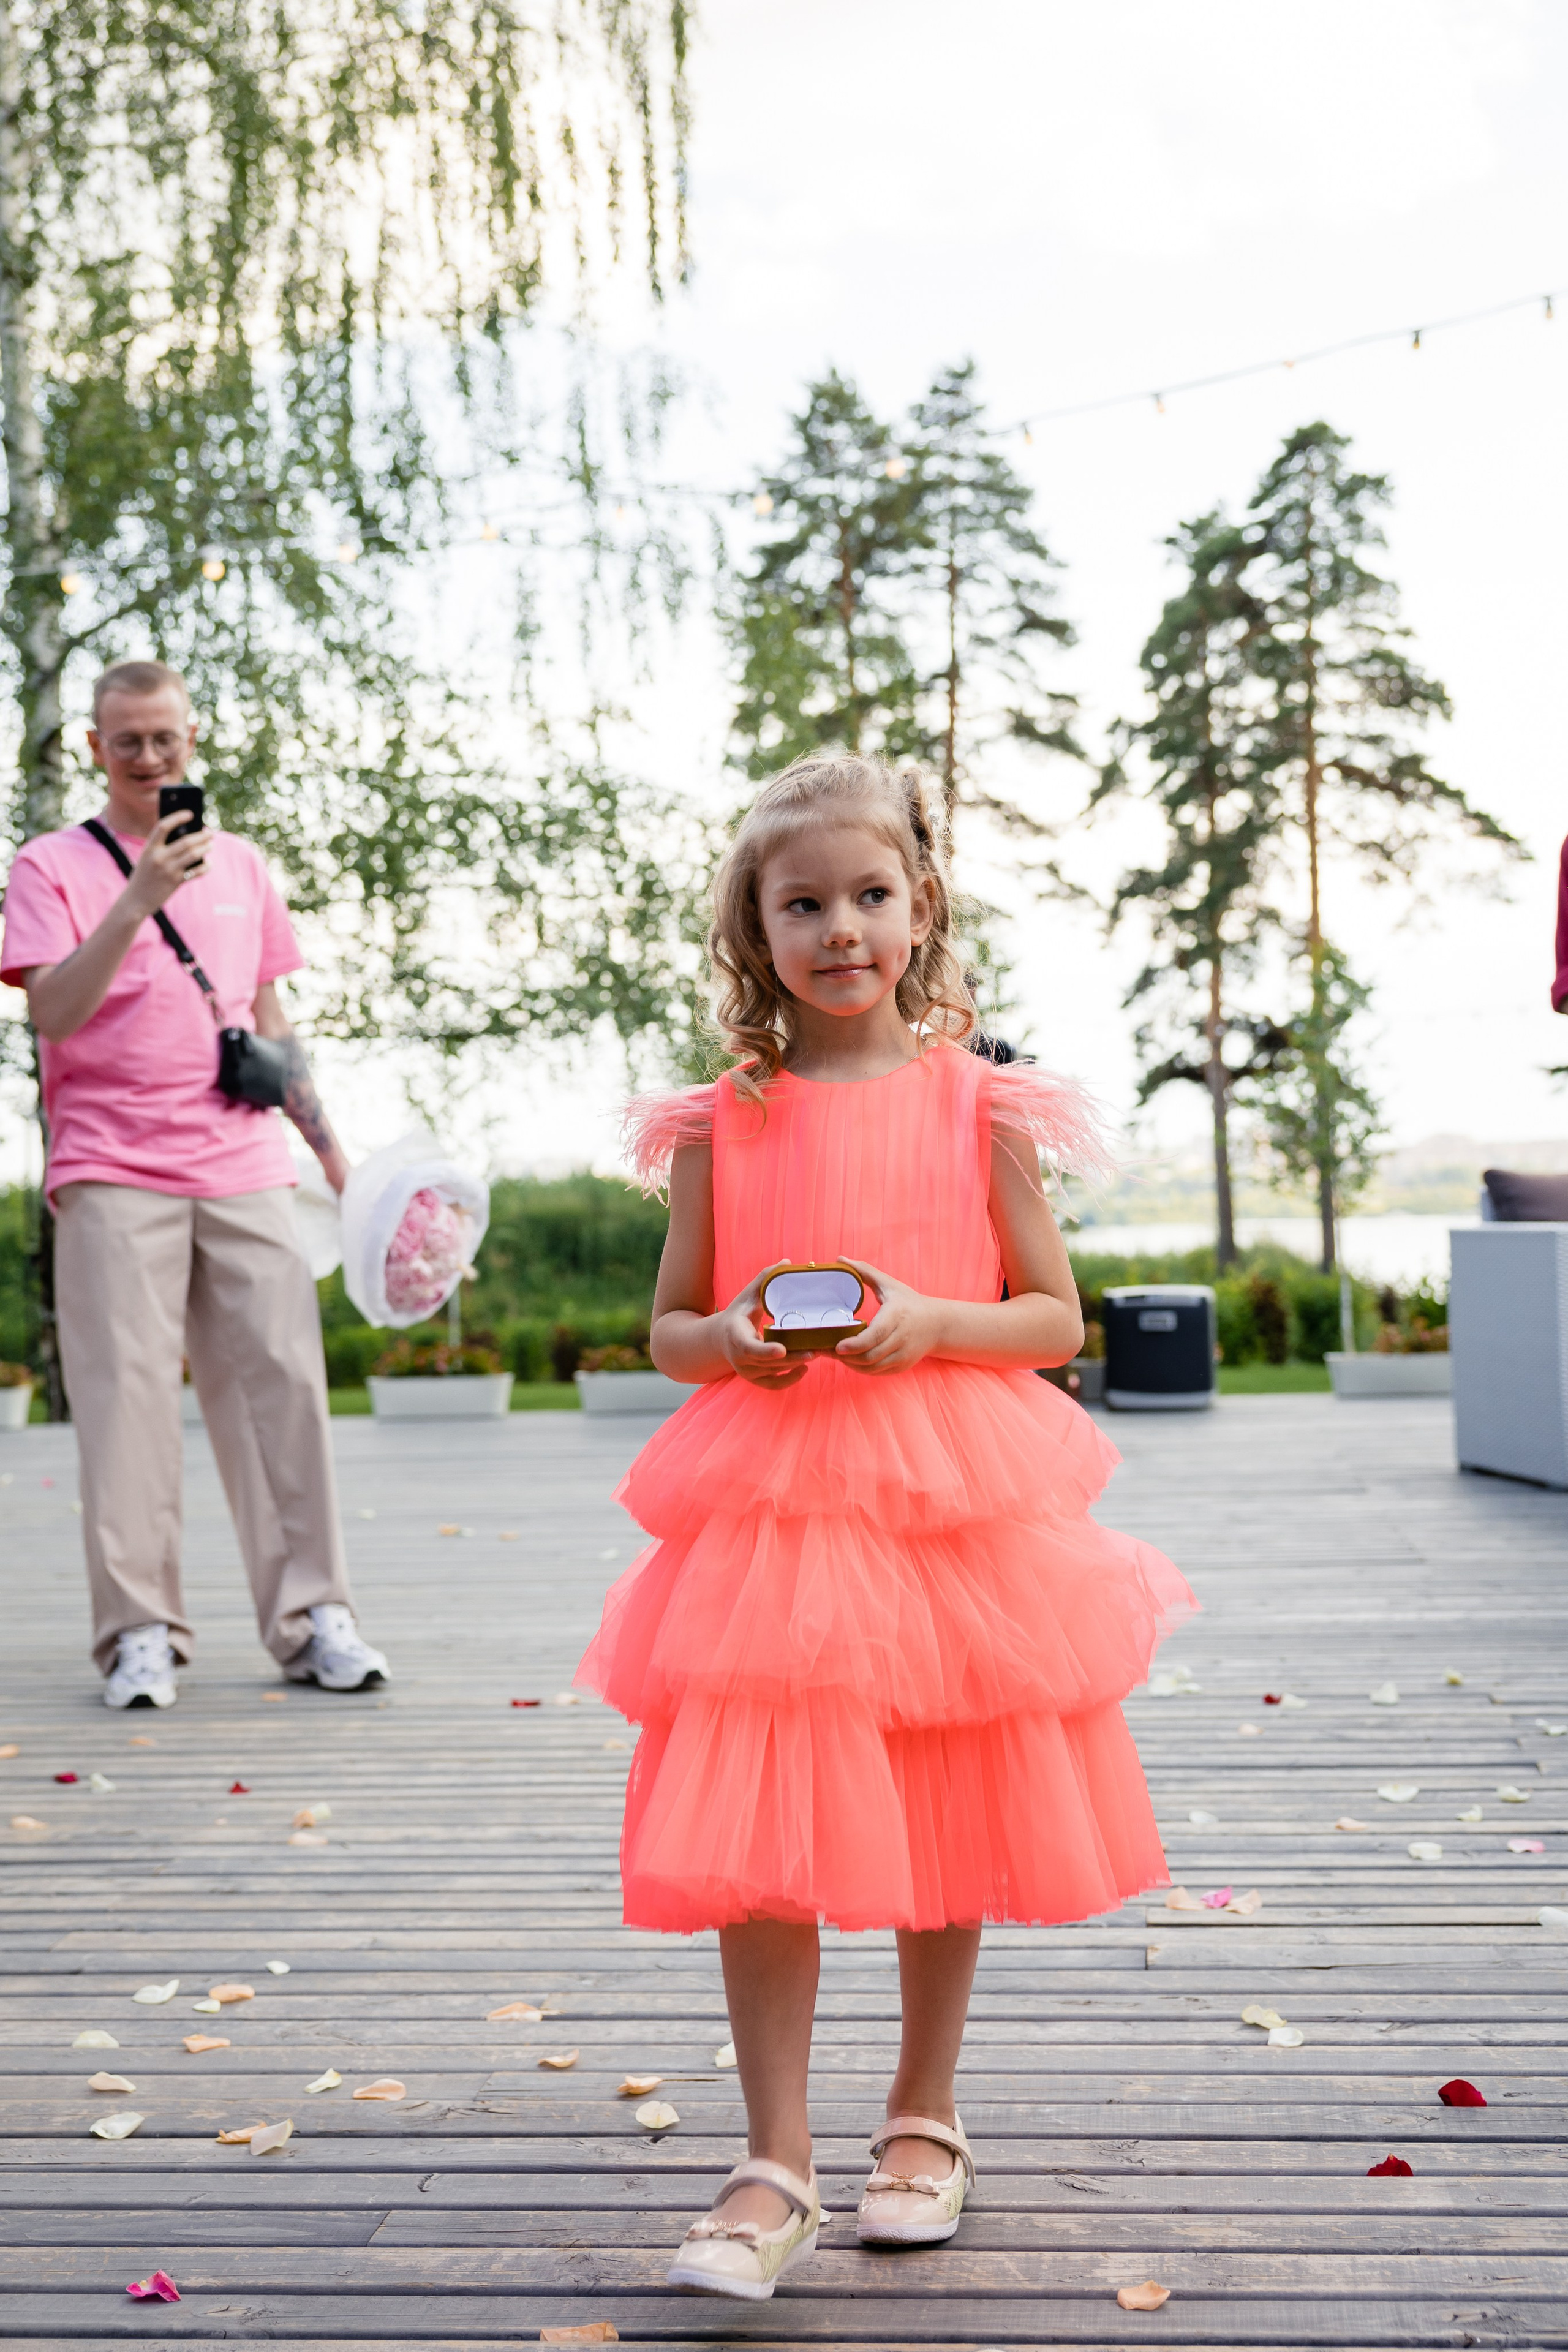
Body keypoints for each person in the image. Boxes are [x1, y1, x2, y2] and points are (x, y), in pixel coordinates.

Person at [576, 752, 1196, 2300]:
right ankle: (770, 2158)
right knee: (758, 1816)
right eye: (802, 904)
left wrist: (933, 1319)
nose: (837, 927)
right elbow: (668, 1326)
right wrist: (734, 1344)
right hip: (775, 1500)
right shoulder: (729, 1116)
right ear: (754, 928)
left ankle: (923, 2112)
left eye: (867, 896)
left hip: (946, 1491)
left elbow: (1050, 1315)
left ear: (919, 907)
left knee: (946, 1790)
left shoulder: (977, 1102)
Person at [0, 659, 389, 1708]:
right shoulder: (49, 868)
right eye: (126, 741)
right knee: (126, 1408)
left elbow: (271, 1024)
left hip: (246, 1163)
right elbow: (53, 1014)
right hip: (113, 1169)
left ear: (193, 737)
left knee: (284, 1395)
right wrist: (134, 901)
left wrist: (334, 1154)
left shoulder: (248, 868)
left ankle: (316, 1620)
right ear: (94, 747)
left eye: (165, 738)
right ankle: (140, 1633)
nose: (149, 759)